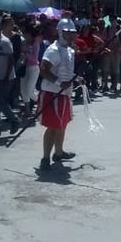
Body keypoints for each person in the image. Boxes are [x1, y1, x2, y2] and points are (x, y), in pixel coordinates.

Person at [37, 18, 78, 171]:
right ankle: (45, 157)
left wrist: (76, 78)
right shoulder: (53, 50)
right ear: (61, 32)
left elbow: (66, 70)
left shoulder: (69, 50)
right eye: (68, 33)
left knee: (62, 124)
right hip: (52, 93)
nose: (71, 36)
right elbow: (43, 69)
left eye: (72, 33)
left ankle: (59, 152)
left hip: (65, 93)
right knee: (53, 126)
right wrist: (59, 83)